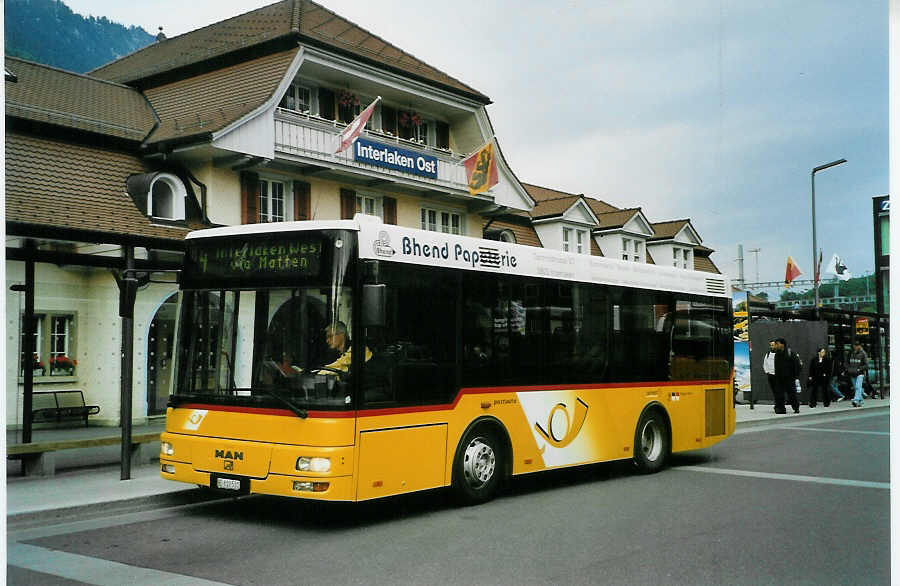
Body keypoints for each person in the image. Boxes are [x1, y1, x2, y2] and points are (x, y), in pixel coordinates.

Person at [773, 338, 800, 414]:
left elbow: (797, 365)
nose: (776, 346)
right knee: (779, 394)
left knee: (792, 394)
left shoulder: (790, 353)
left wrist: (795, 376)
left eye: (777, 344)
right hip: (779, 379)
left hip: (789, 378)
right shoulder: (777, 354)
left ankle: (796, 407)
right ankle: (780, 409)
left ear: (782, 344)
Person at [845, 341, 868, 407]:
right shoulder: (851, 353)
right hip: (852, 373)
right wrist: (848, 368)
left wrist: (859, 369)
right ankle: (861, 400)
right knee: (856, 388)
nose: (855, 347)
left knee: (858, 387)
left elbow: (866, 365)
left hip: (860, 373)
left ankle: (856, 400)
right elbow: (847, 362)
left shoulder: (863, 353)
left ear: (859, 346)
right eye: (855, 345)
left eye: (857, 345)